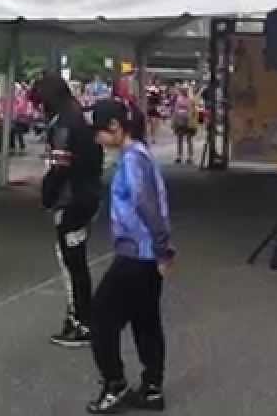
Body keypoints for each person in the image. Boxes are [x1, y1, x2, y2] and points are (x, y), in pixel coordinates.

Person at [85, 100, 174, 413]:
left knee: (101, 319)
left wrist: (162, 249)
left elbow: (146, 205)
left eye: (98, 131)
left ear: (114, 126)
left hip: (136, 254)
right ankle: (152, 388)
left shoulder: (133, 160)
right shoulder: (137, 156)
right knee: (145, 320)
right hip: (145, 256)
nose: (96, 138)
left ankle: (115, 383)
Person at [31, 72, 103, 348]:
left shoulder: (63, 124)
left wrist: (46, 196)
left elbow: (59, 167)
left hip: (71, 201)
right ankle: (85, 317)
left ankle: (80, 321)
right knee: (77, 260)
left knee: (71, 263)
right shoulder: (80, 118)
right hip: (88, 196)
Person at [171, 87, 195, 165]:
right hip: (180, 120)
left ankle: (189, 157)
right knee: (180, 138)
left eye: (186, 90)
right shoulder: (179, 99)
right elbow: (175, 110)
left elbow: (193, 110)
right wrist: (174, 121)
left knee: (188, 139)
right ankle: (179, 156)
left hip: (188, 121)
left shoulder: (191, 99)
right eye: (183, 90)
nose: (185, 91)